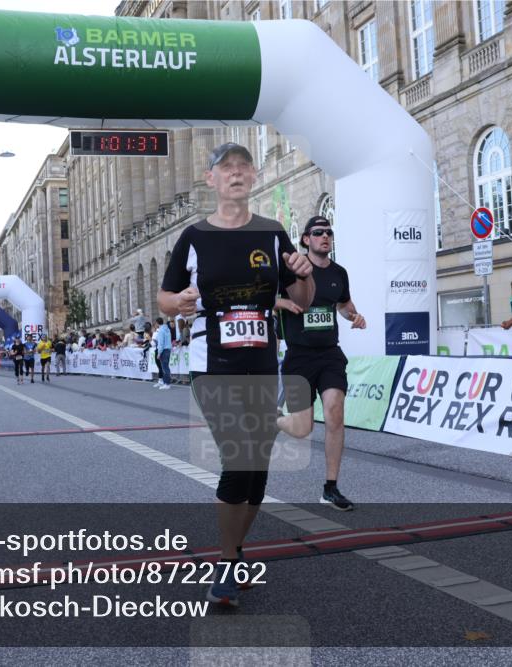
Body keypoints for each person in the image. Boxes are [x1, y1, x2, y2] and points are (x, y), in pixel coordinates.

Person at [158, 142, 314, 608]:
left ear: (253, 176)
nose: (237, 172)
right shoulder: (194, 237)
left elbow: (301, 299)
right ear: (212, 179)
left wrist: (304, 274)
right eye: (226, 167)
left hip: (264, 362)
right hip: (214, 364)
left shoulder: (272, 233)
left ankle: (236, 548)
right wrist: (178, 303)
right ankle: (226, 564)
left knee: (258, 470)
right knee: (239, 456)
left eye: (244, 165)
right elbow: (164, 299)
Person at [275, 215, 365, 511]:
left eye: (328, 232)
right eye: (318, 233)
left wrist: (354, 315)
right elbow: (264, 297)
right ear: (306, 239)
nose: (324, 237)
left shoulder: (340, 272)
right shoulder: (293, 270)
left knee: (335, 412)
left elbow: (343, 304)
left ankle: (331, 488)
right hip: (298, 356)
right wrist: (284, 303)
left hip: (329, 354)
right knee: (302, 428)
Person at [152, 316, 173, 389]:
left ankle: (167, 383)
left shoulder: (161, 330)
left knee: (164, 367)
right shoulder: (167, 329)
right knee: (166, 366)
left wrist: (159, 353)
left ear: (157, 323)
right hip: (168, 349)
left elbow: (161, 343)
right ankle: (166, 382)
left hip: (163, 350)